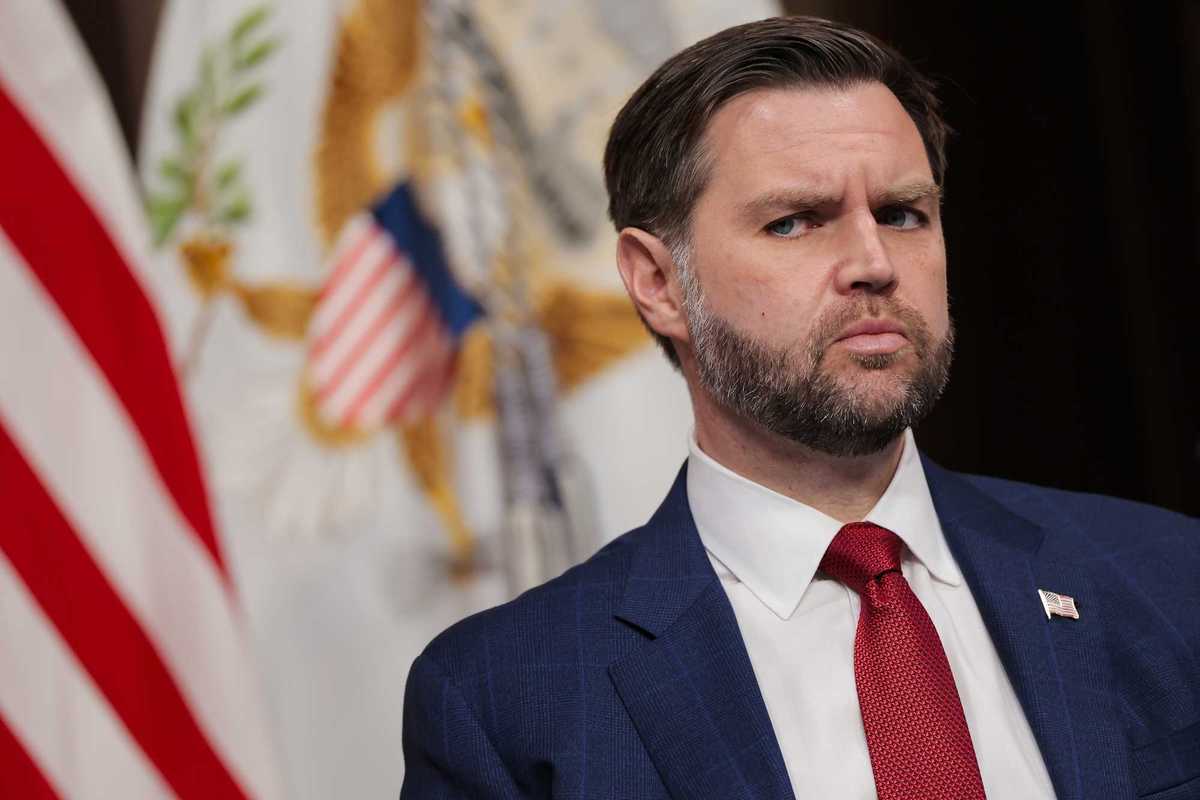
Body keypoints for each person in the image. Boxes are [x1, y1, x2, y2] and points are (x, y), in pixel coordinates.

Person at [400, 16, 1199, 799]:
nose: (874, 263)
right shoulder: (507, 700)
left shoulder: (1169, 577)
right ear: (658, 283)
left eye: (901, 213)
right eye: (794, 223)